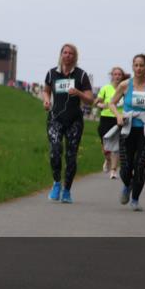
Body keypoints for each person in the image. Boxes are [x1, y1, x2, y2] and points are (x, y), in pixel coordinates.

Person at [108, 53, 145, 212]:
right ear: (133, 67)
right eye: (136, 65)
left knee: (139, 167)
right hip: (127, 129)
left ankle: (135, 199)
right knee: (125, 168)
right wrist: (118, 115)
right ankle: (127, 185)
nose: (139, 68)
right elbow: (111, 103)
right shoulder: (125, 85)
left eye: (142, 65)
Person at [41, 44, 95, 203]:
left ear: (75, 56)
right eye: (65, 52)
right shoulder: (52, 73)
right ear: (61, 55)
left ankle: (67, 191)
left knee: (71, 156)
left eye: (71, 53)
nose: (67, 55)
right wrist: (46, 101)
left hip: (74, 121)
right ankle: (57, 183)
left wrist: (78, 93)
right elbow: (46, 90)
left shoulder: (81, 75)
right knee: (55, 150)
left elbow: (90, 100)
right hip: (55, 118)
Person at [94, 67, 125, 179]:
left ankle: (113, 170)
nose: (117, 76)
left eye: (119, 74)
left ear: (122, 76)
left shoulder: (125, 88)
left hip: (118, 119)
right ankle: (107, 160)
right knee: (106, 147)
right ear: (111, 76)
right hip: (105, 118)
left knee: (116, 145)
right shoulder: (105, 88)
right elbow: (96, 102)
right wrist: (101, 105)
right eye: (115, 74)